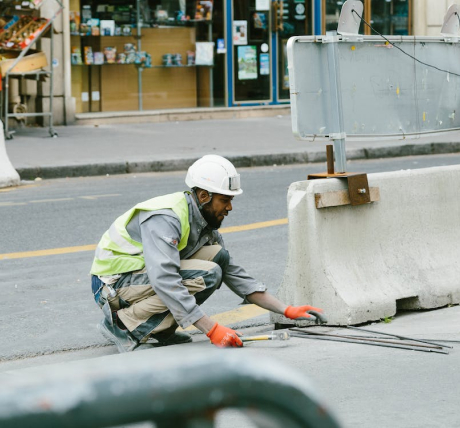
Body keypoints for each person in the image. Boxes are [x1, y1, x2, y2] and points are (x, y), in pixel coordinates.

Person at [90, 155, 324, 353]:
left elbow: (234, 274)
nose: (229, 208)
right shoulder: (166, 218)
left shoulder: (202, 222)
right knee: (208, 274)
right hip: (113, 285)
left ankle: (158, 331)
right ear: (204, 196)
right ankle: (124, 327)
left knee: (218, 257)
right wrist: (211, 329)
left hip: (137, 280)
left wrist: (286, 309)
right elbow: (165, 279)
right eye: (225, 200)